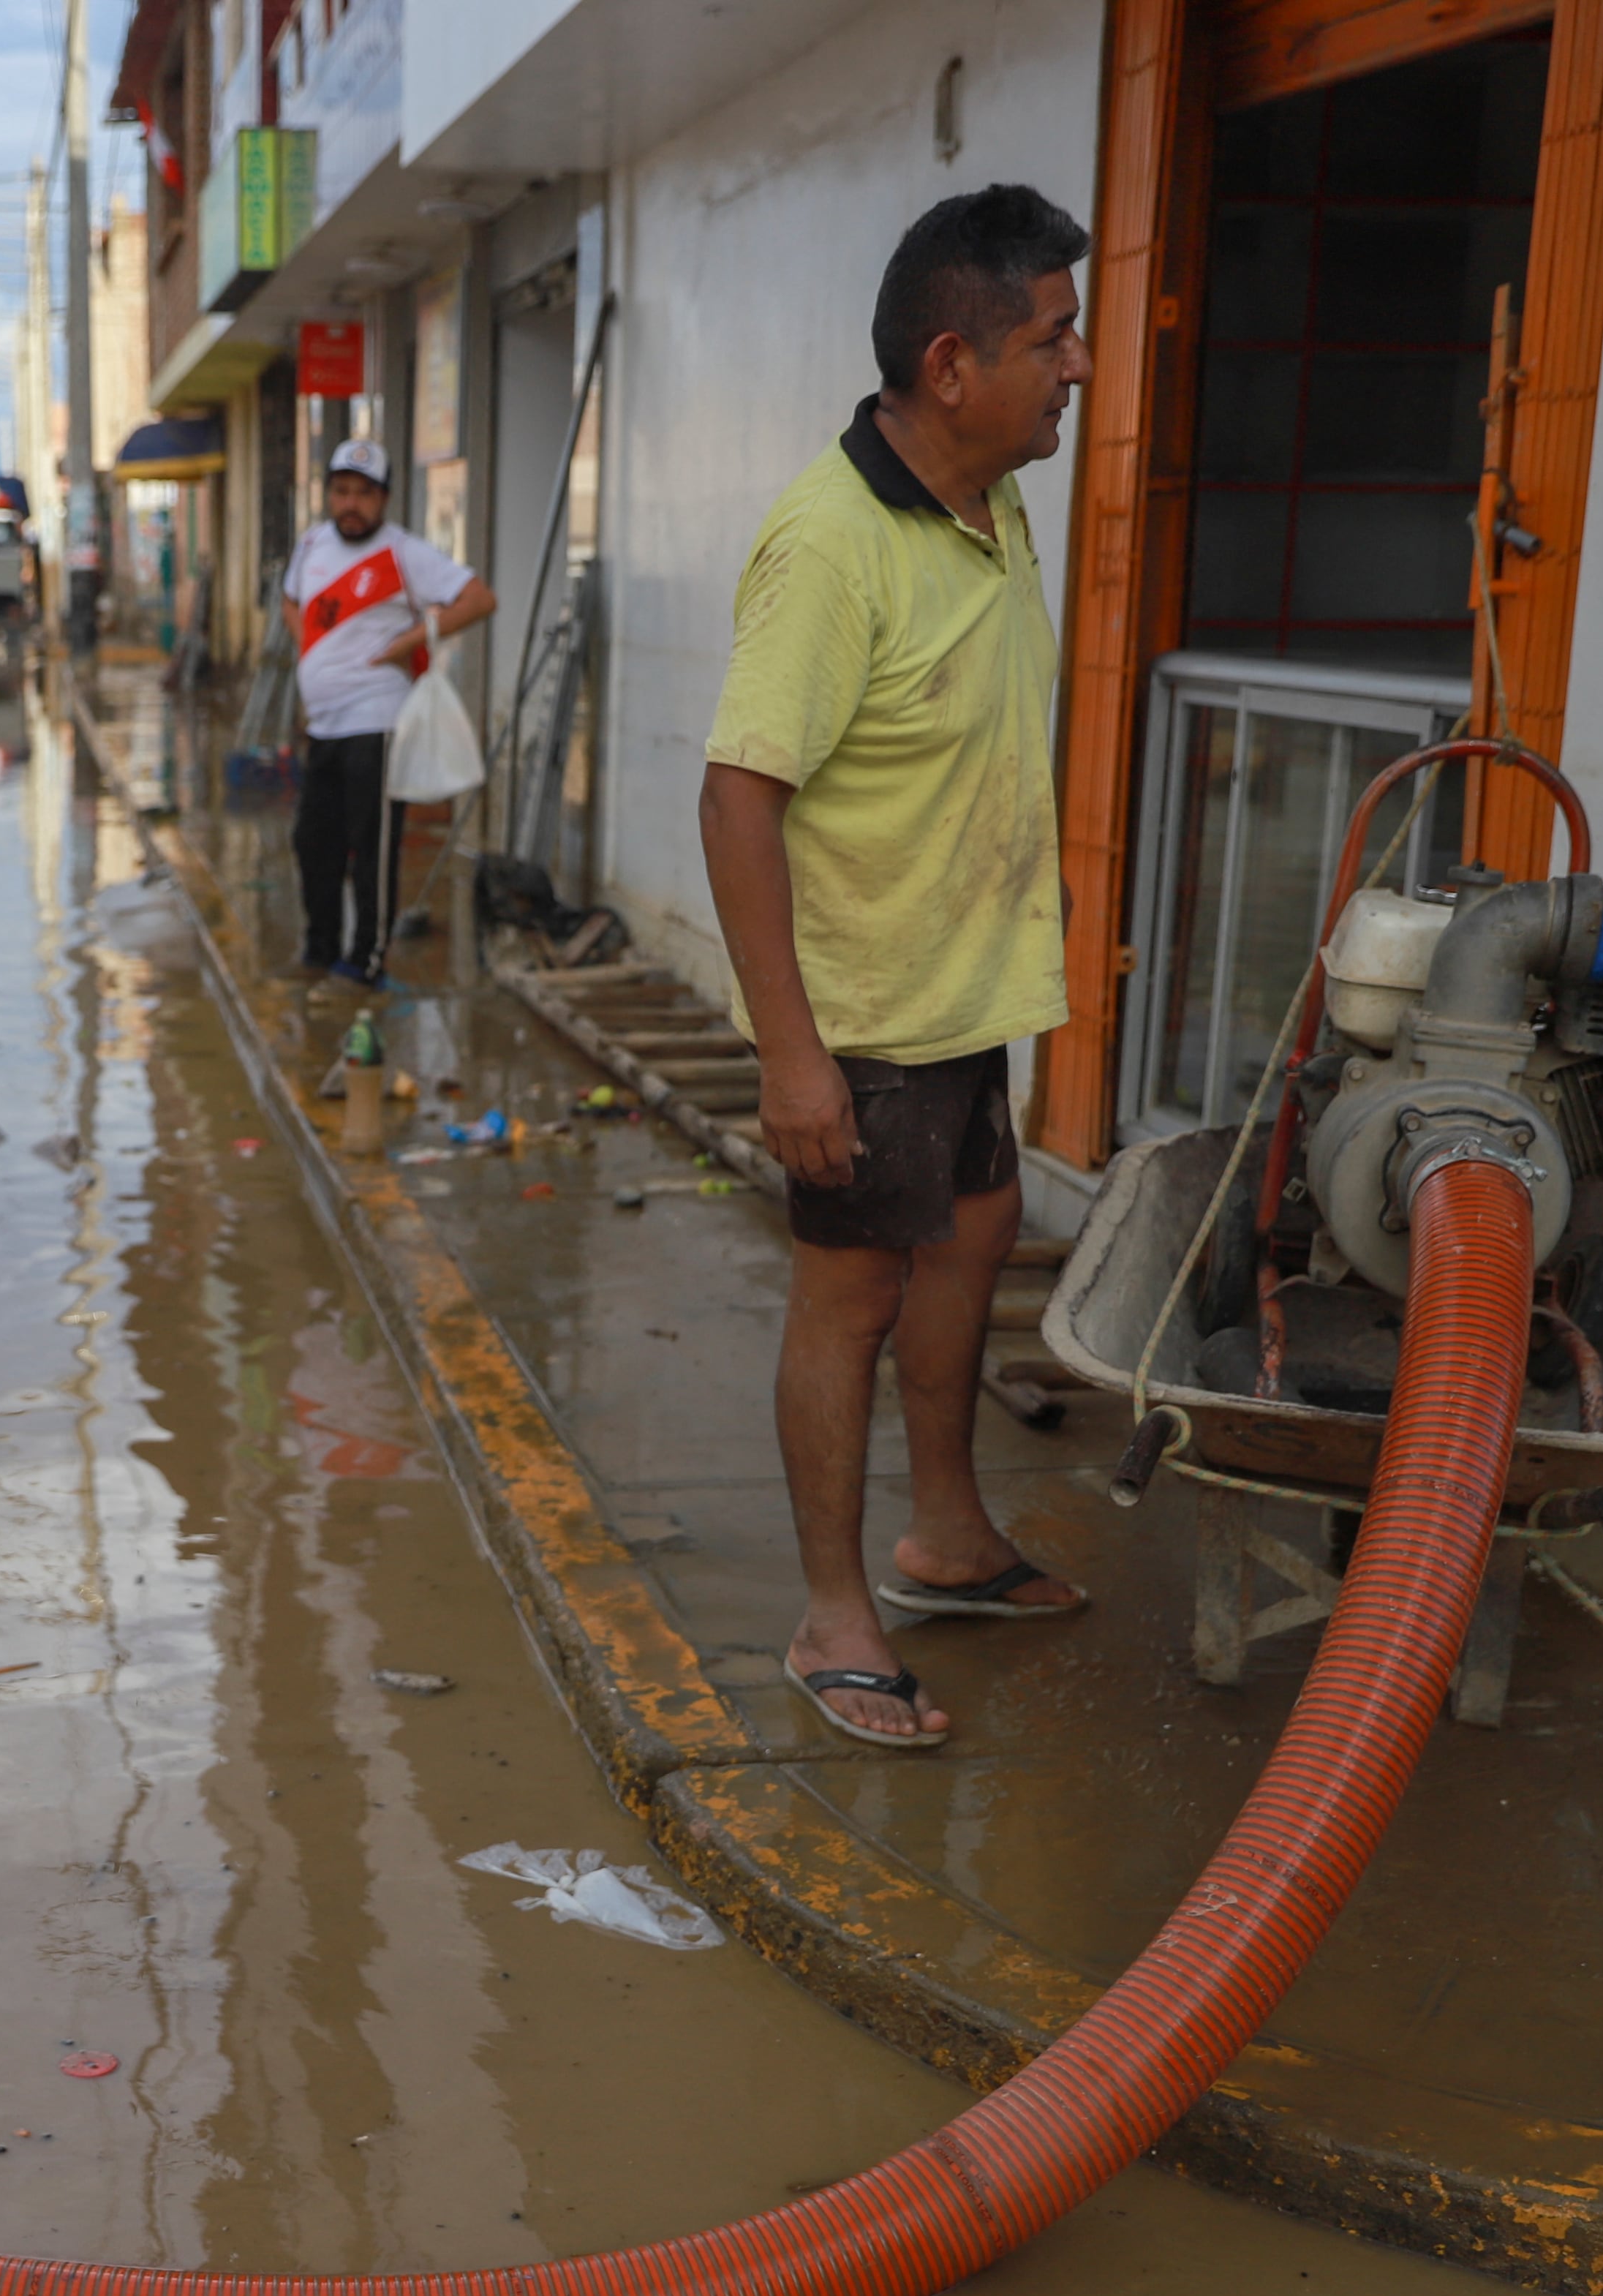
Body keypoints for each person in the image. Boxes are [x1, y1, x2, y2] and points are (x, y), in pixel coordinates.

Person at [696, 184, 1098, 1749]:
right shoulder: (829, 546)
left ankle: (945, 1535)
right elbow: (740, 794)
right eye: (1050, 340)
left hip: (963, 987)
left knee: (980, 1223)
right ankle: (834, 1614)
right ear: (952, 361)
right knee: (848, 1295)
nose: (1075, 367)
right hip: (861, 1009)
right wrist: (792, 1055)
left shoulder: (991, 498)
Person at [283, 440, 496, 987]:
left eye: (364, 494)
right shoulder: (311, 546)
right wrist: (312, 651)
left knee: (371, 846)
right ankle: (319, 947)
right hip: (323, 723)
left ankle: (365, 960)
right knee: (313, 843)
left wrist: (410, 641)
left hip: (377, 721)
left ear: (385, 499)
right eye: (342, 491)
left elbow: (478, 599)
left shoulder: (405, 553)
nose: (351, 504)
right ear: (329, 494)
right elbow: (290, 601)